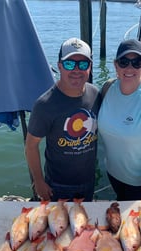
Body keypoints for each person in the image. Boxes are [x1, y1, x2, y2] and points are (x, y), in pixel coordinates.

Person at [25, 38, 101, 201]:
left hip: (88, 181)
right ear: (59, 66)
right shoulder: (44, 105)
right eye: (69, 64)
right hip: (57, 186)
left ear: (90, 67)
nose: (76, 70)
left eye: (82, 64)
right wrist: (38, 181)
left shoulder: (96, 94)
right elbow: (31, 145)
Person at [98, 39, 141, 201]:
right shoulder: (107, 88)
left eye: (136, 62)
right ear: (116, 65)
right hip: (112, 172)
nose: (129, 68)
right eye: (124, 62)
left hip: (138, 182)